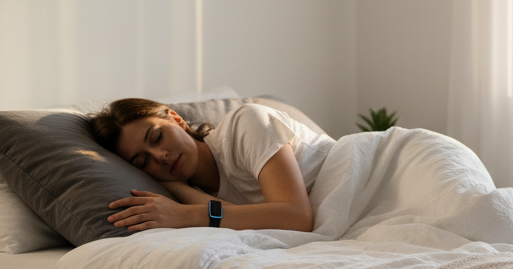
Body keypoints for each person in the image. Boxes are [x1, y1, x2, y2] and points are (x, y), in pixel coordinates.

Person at [88, 98, 334, 233]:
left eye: (157, 137)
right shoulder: (195, 195)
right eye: (142, 161)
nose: (160, 156)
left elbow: (297, 217)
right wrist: (178, 190)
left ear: (176, 119)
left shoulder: (245, 123)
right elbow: (252, 220)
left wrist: (182, 214)